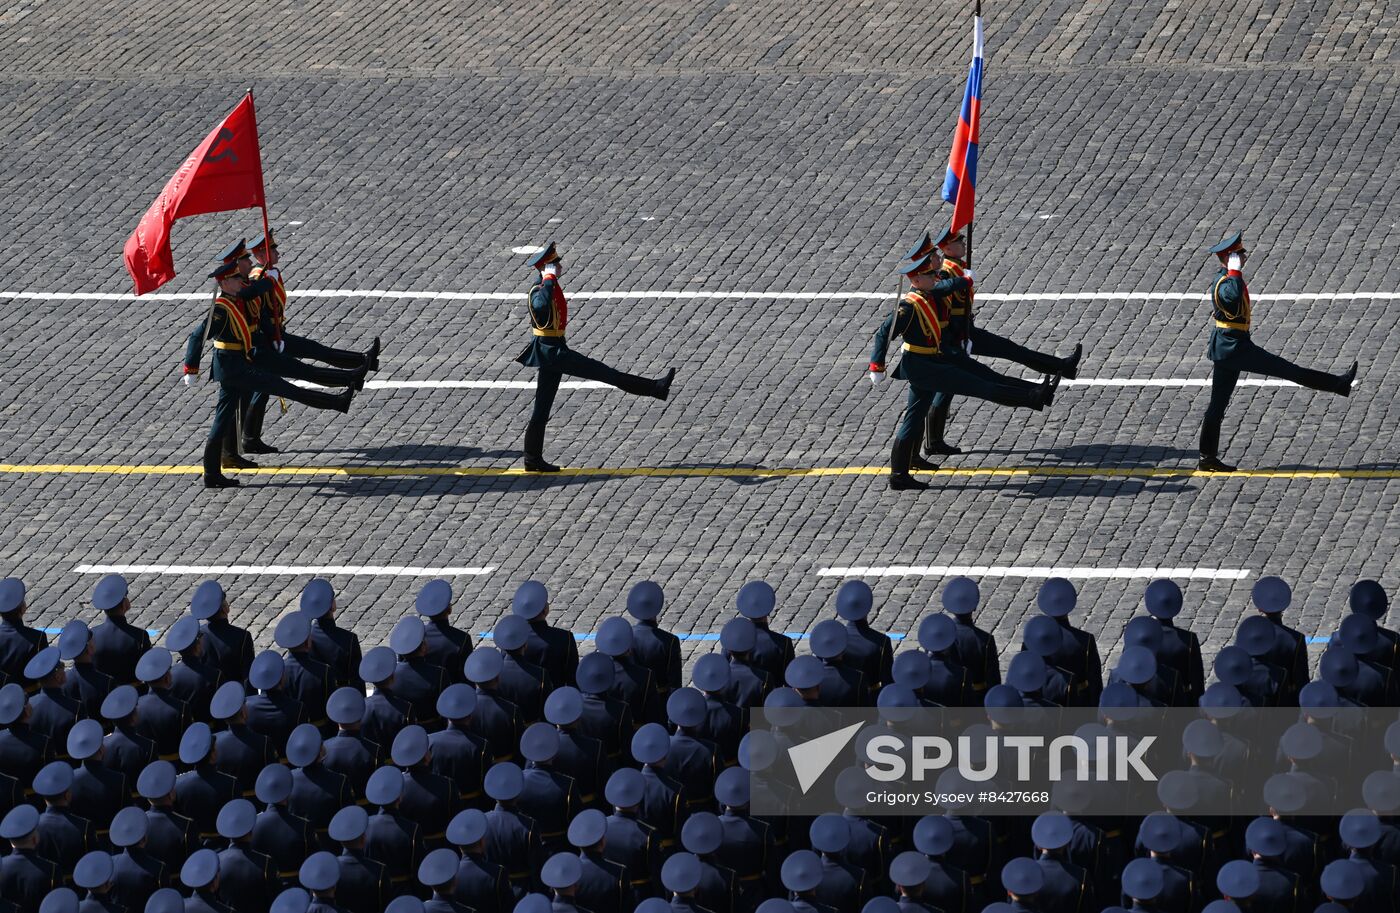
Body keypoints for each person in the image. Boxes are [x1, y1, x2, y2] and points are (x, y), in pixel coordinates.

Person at [870, 253, 1054, 490]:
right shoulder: (908, 307)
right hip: (923, 366)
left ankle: (901, 471)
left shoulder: (928, 294)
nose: (935, 276)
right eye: (929, 275)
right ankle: (1033, 397)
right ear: (915, 280)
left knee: (915, 416)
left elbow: (947, 288)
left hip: (932, 362)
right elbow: (883, 333)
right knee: (979, 386)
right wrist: (877, 366)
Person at [181, 261, 355, 488]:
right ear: (224, 283)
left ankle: (211, 474)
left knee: (222, 420)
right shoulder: (222, 309)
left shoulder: (234, 301)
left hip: (236, 365)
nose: (240, 282)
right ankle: (338, 402)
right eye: (235, 279)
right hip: (233, 369)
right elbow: (197, 336)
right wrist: (191, 369)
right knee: (283, 387)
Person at [911, 229, 1083, 456]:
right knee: (966, 383)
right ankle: (1039, 388)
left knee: (1008, 351)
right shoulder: (942, 276)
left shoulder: (948, 271)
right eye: (957, 241)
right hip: (956, 338)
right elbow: (944, 301)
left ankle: (1059, 369)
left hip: (964, 332)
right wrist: (960, 336)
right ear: (946, 249)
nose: (963, 243)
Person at [1197, 232, 1356, 471]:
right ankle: (1338, 384)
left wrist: (1233, 272)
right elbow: (1231, 298)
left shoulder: (1226, 278)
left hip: (1230, 346)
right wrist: (1234, 271)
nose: (1244, 256)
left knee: (1217, 405)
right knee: (1289, 370)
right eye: (1239, 254)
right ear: (1229, 258)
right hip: (1234, 348)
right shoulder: (1225, 282)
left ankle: (1207, 458)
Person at [516, 242, 676, 471]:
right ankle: (656, 388)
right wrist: (549, 279)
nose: (560, 266)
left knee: (542, 408)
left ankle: (532, 460)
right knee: (606, 374)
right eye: (555, 264)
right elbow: (540, 306)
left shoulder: (548, 285)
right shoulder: (540, 288)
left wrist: (550, 280)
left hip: (554, 349)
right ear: (546, 268)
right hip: (552, 352)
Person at [241, 231, 379, 454]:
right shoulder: (260, 277)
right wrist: (274, 338)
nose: (278, 252)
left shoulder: (270, 273)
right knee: (303, 361)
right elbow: (259, 309)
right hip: (272, 338)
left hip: (277, 334)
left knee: (272, 383)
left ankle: (362, 364)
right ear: (261, 254)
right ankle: (358, 368)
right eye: (273, 249)